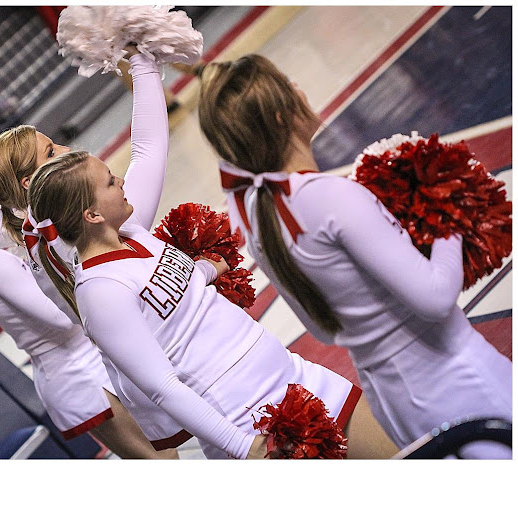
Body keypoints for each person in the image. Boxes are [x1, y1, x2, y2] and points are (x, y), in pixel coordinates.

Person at [196, 54, 513, 458]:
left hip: (391, 404)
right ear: (281, 117)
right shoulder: (329, 197)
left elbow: (324, 329)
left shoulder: (259, 217)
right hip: (456, 380)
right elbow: (434, 298)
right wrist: (445, 209)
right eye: (289, 83)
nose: (300, 89)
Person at [26, 148, 398, 460]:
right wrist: (245, 448)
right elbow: (162, 387)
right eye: (109, 182)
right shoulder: (100, 292)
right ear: (91, 215)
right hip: (250, 418)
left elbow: (173, 291)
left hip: (293, 374)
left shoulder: (132, 234)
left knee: (406, 459)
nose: (121, 181)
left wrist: (207, 267)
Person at [0, 48, 203, 453]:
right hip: (175, 368)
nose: (65, 149)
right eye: (51, 152)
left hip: (149, 369)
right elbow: (149, 149)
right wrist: (143, 62)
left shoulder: (43, 236)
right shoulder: (81, 227)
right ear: (31, 183)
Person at [0, 175, 176, 459]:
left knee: (159, 459)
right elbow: (61, 317)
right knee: (163, 459)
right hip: (83, 375)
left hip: (70, 375)